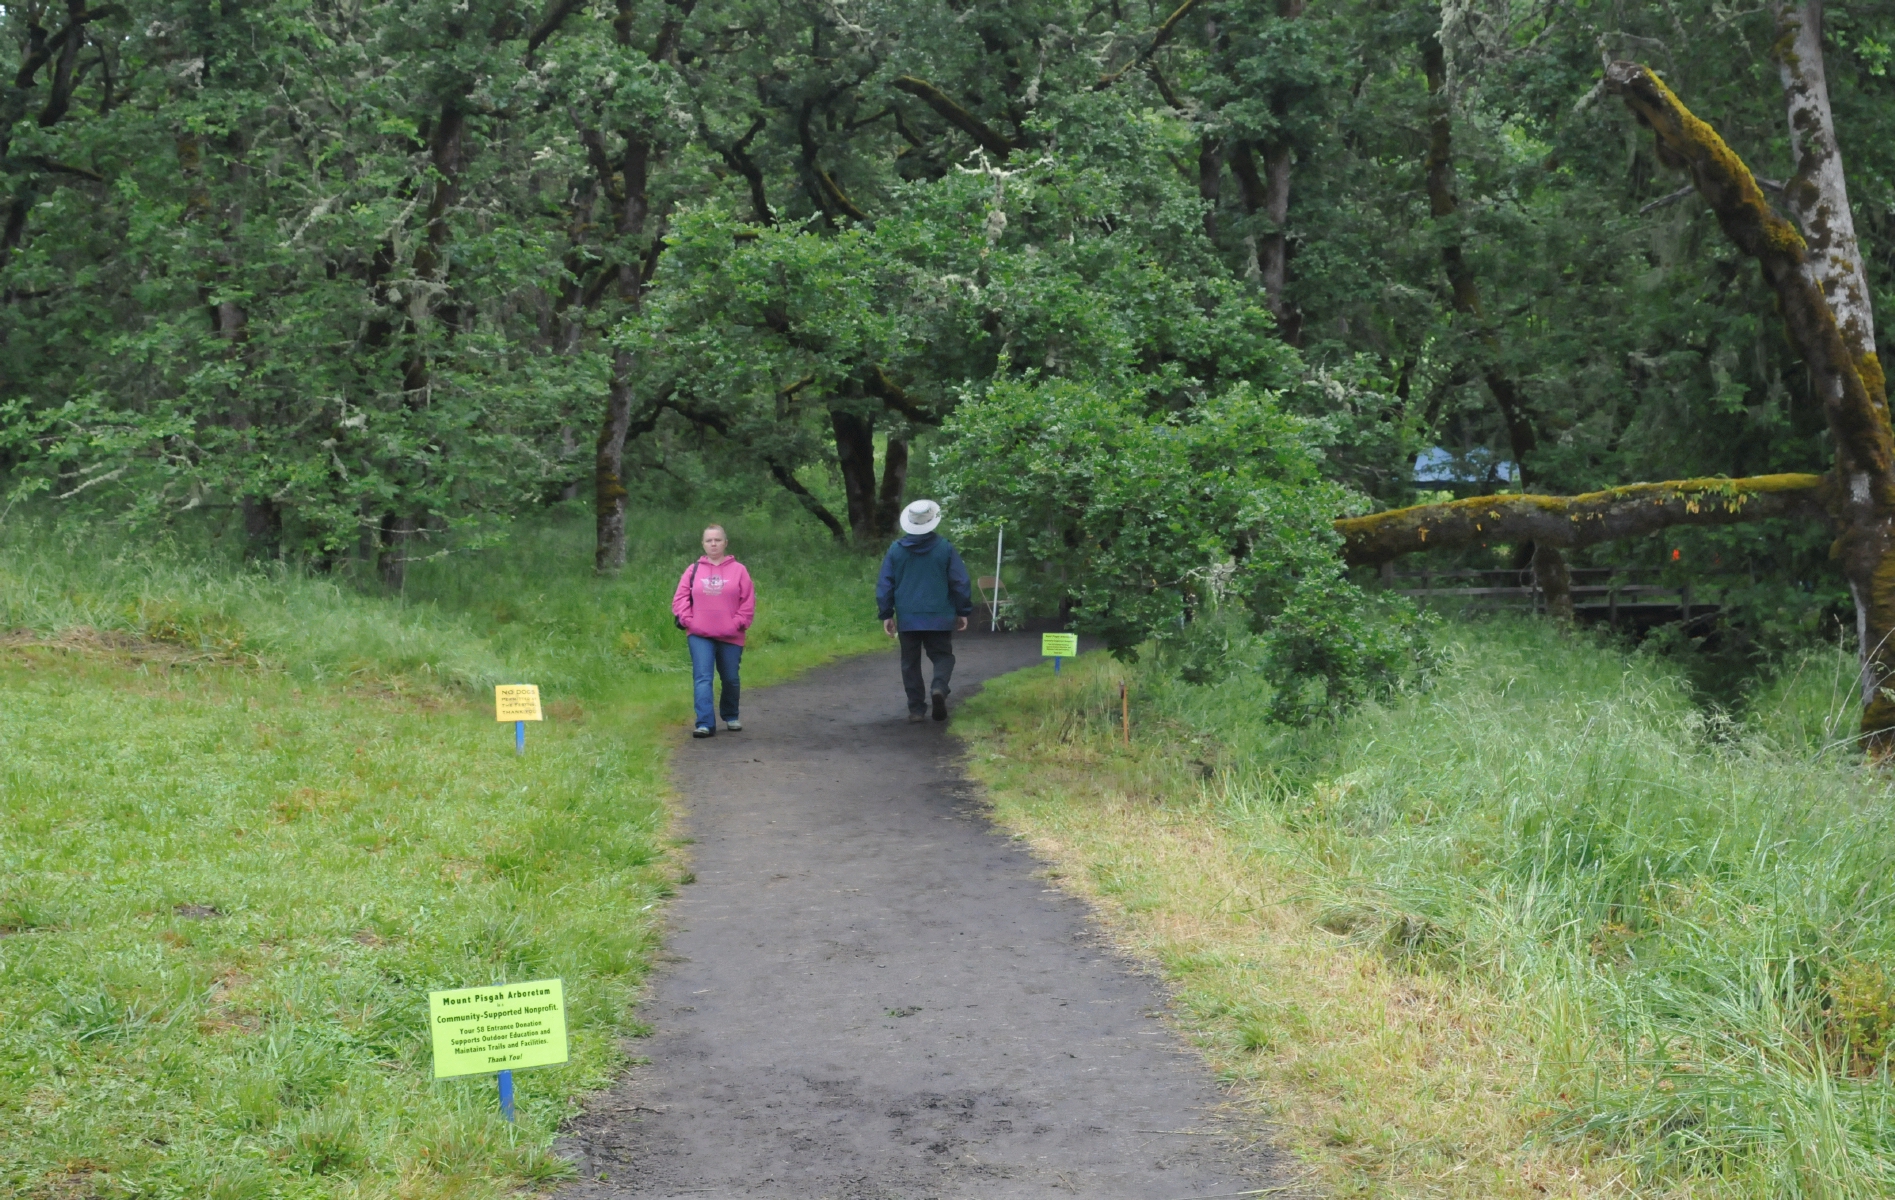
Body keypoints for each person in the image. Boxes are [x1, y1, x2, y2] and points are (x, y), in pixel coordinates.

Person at [877, 499, 972, 722]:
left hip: (908, 617)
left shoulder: (896, 550)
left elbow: (885, 584)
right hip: (939, 616)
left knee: (910, 663)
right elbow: (960, 581)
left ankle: (916, 710)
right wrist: (963, 610)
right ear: (932, 522)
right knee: (943, 657)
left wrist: (886, 613)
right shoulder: (945, 548)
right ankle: (938, 686)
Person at [672, 524, 755, 738]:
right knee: (702, 677)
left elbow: (748, 601)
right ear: (703, 544)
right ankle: (704, 723)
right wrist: (688, 619)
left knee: (730, 678)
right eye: (709, 540)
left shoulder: (739, 570)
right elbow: (680, 598)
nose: (713, 544)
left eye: (717, 540)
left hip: (731, 635)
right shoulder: (693, 570)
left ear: (725, 543)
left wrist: (737, 623)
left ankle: (730, 714)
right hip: (699, 634)